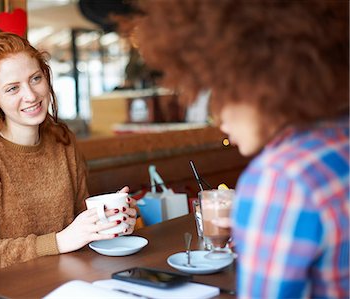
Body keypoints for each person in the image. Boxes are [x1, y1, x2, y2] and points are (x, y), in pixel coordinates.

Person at [126, 1, 349, 298]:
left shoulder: (279, 178)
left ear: (261, 82)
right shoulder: (339, 138)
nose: (218, 118)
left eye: (221, 91)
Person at [0, 32, 137, 280]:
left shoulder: (62, 141)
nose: (30, 95)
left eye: (35, 78)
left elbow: (81, 224)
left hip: (64, 281)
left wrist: (112, 221)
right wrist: (57, 242)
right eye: (13, 88)